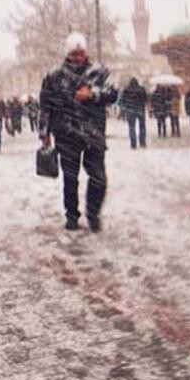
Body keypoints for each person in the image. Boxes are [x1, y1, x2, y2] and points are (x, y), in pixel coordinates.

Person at [39, 32, 117, 233]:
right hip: (66, 133)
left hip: (94, 133)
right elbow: (46, 105)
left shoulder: (99, 73)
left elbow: (113, 93)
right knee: (70, 178)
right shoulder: (55, 76)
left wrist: (93, 94)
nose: (78, 57)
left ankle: (93, 214)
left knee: (99, 178)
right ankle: (72, 216)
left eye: (81, 53)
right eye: (74, 54)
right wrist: (44, 131)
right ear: (68, 54)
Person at [120, 77, 147, 149]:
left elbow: (122, 99)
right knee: (142, 126)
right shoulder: (141, 89)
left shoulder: (126, 90)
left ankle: (133, 143)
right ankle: (142, 142)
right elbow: (145, 99)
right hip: (140, 109)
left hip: (130, 109)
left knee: (131, 127)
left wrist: (124, 107)